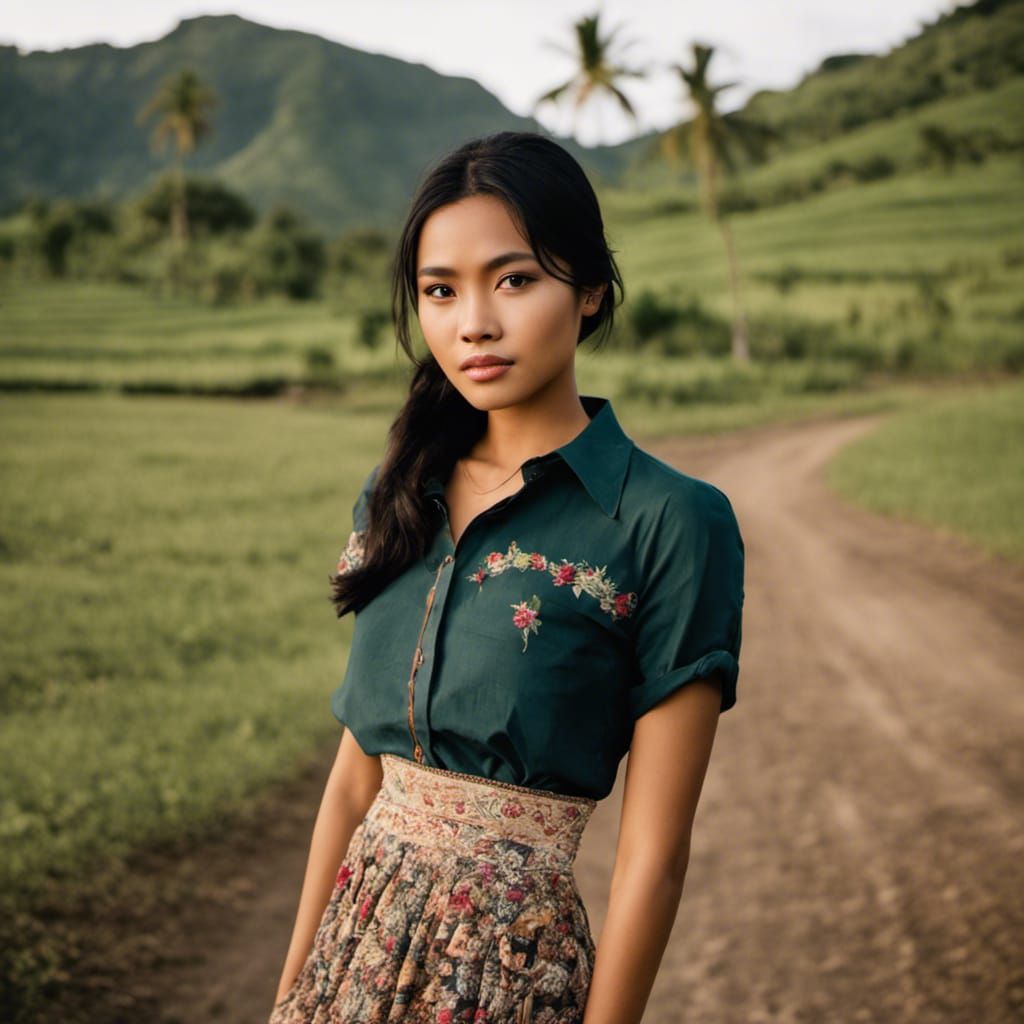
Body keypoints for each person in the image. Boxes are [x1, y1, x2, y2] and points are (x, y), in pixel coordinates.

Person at [268, 130, 744, 1023]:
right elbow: (351, 785)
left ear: (591, 288)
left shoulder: (670, 521)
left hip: (505, 976)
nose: (473, 322)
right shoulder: (398, 492)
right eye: (440, 291)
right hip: (347, 958)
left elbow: (654, 854)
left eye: (514, 279)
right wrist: (291, 990)